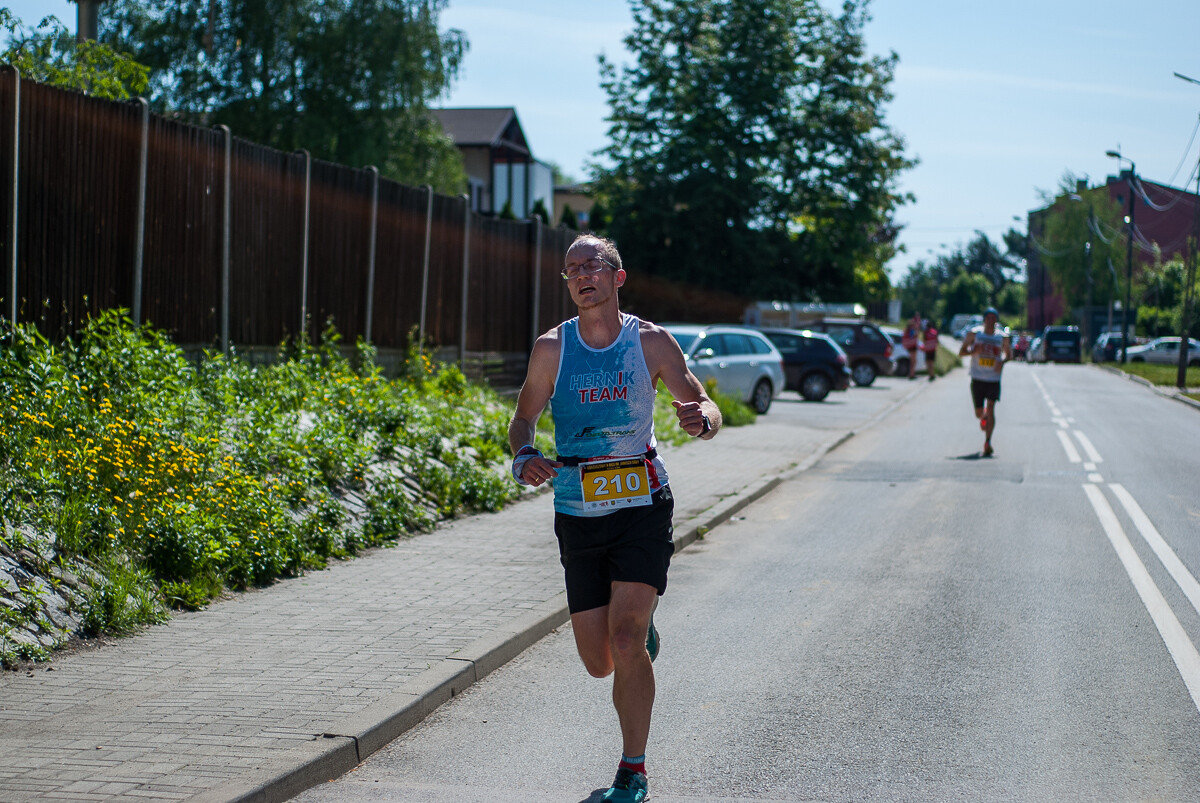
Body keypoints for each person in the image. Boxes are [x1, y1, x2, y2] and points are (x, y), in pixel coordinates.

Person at [508, 234, 722, 803]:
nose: (579, 275)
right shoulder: (552, 349)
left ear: (617, 277)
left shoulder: (649, 342)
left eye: (591, 265)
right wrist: (523, 456)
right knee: (599, 662)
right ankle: (639, 627)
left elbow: (702, 402)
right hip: (578, 510)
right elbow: (523, 418)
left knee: (624, 640)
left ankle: (633, 768)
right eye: (570, 268)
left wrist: (703, 417)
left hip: (642, 504)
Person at [958, 307, 1012, 457]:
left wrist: (1003, 361)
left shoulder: (1002, 337)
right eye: (988, 318)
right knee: (979, 412)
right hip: (977, 377)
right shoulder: (975, 334)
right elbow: (961, 352)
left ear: (996, 320)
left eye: (993, 318)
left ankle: (988, 442)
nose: (990, 321)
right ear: (984, 320)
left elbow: (1009, 355)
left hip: (993, 378)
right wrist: (972, 352)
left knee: (992, 407)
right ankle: (983, 417)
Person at [902, 312, 921, 379]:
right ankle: (911, 374)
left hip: (909, 346)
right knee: (913, 361)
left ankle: (911, 373)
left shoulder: (906, 330)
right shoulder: (912, 330)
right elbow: (915, 336)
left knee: (912, 361)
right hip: (913, 346)